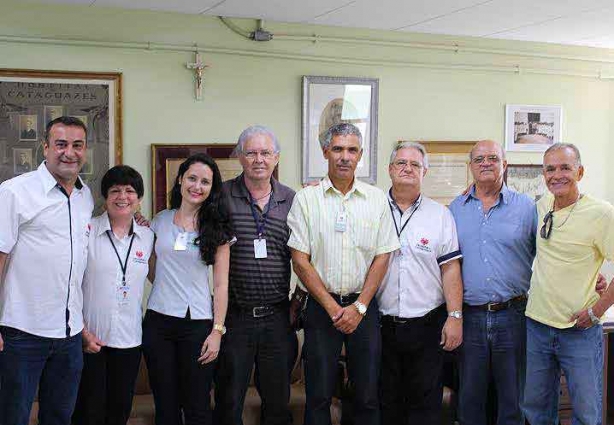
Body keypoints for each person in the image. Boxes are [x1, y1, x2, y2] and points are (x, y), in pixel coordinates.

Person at [288, 122, 399, 425]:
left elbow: (382, 255)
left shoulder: (376, 200)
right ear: (325, 152)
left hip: (363, 309)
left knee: (366, 395)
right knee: (318, 395)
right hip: (322, 310)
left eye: (351, 150)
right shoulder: (306, 199)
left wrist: (360, 306)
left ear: (360, 155)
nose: (344, 156)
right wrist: (333, 308)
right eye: (337, 148)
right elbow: (300, 260)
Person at [0, 116, 93, 425]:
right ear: (45, 148)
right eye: (61, 144)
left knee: (59, 418)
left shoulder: (85, 196)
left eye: (77, 145)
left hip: (69, 336)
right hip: (22, 333)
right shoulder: (14, 192)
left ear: (85, 149)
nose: (70, 152)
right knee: (12, 417)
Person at [523, 143, 614, 425]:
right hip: (537, 326)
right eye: (550, 169)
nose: (557, 175)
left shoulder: (601, 213)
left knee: (586, 413)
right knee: (536, 411)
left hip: (579, 331)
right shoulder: (541, 206)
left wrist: (597, 309)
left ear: (580, 171)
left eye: (565, 167)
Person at [448, 140, 537, 425]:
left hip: (514, 315)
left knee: (513, 399)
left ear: (504, 164)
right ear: (470, 167)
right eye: (479, 159)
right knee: (470, 399)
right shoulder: (455, 209)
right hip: (470, 316)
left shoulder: (527, 208)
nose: (486, 163)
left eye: (493, 158)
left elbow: (550, 253)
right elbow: (447, 265)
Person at [214, 125, 297, 425]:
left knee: (277, 403)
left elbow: (305, 256)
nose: (258, 159)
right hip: (235, 318)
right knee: (228, 400)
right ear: (240, 157)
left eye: (265, 153)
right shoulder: (221, 195)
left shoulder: (292, 200)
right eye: (251, 153)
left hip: (277, 317)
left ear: (276, 157)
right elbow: (187, 219)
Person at [377, 141, 463, 425]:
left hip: (427, 326)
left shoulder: (440, 215)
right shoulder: (371, 208)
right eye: (401, 163)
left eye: (415, 164)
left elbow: (450, 269)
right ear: (390, 169)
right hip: (380, 326)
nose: (408, 168)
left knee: (425, 407)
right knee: (385, 403)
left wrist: (455, 316)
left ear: (424, 172)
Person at [142, 153, 231, 425]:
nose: (197, 186)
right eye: (192, 178)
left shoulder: (217, 229)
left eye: (205, 182)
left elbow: (221, 284)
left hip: (198, 325)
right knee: (165, 405)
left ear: (211, 188)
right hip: (158, 322)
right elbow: (151, 268)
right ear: (180, 179)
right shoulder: (159, 221)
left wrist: (217, 331)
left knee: (197, 405)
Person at [71, 166, 154, 425]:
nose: (122, 196)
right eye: (115, 190)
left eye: (130, 191)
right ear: (105, 198)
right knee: (88, 413)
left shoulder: (148, 236)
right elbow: (70, 284)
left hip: (129, 341)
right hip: (90, 340)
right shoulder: (86, 232)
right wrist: (83, 332)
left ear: (139, 198)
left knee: (119, 412)